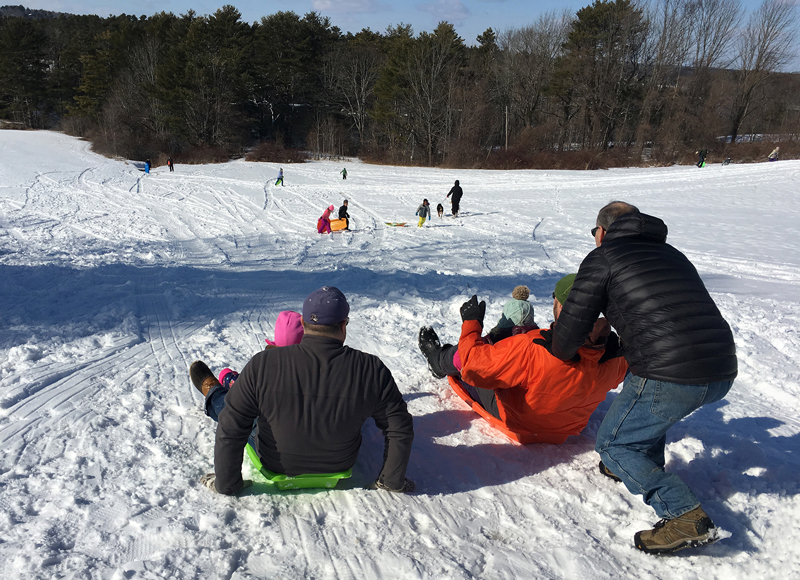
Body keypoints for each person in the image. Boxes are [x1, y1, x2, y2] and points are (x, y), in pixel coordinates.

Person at [548, 201, 737, 555]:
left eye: (594, 233)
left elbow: (572, 326)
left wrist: (560, 351)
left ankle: (682, 515)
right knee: (645, 410)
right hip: (721, 366)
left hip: (672, 372)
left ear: (602, 232)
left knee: (614, 444)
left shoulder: (604, 257)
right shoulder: (673, 254)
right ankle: (642, 467)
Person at [191, 287, 415, 495]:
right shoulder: (370, 368)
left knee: (230, 407)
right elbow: (400, 426)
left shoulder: (264, 363)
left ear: (303, 322)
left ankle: (213, 392)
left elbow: (231, 425)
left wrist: (227, 484)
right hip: (339, 463)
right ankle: (217, 392)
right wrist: (391, 480)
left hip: (274, 461)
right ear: (344, 324)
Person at [418, 275, 628, 443]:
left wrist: (471, 323)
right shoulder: (616, 357)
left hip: (518, 421)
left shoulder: (532, 348)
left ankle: (437, 361)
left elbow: (474, 366)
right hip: (566, 429)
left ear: (562, 308)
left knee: (472, 354)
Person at [193, 311, 305, 423]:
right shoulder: (315, 367)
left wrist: (231, 380)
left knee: (231, 407)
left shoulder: (266, 367)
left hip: (267, 432)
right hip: (307, 431)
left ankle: (214, 394)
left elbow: (247, 389)